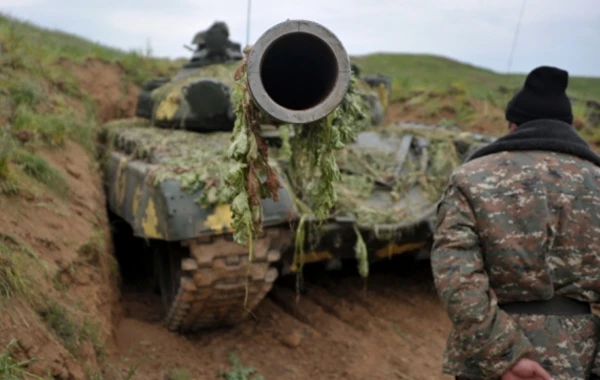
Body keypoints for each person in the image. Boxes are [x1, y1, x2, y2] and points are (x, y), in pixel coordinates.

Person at [430, 65, 600, 380]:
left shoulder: (471, 178)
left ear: (512, 125)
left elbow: (456, 275)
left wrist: (503, 355)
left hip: (487, 363)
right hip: (578, 357)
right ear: (568, 125)